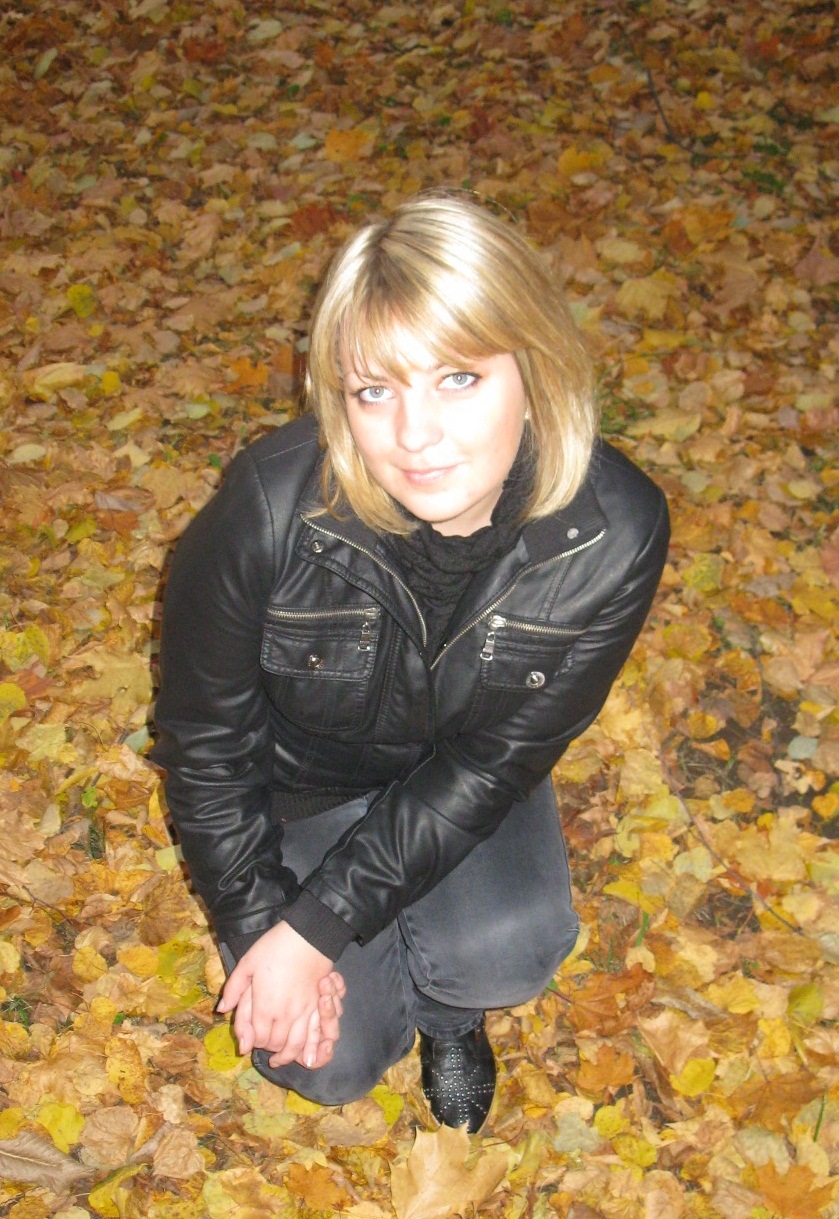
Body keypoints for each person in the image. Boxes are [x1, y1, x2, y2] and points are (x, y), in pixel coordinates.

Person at [153, 193, 670, 1134]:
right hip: (299, 791)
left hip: (457, 778)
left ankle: (449, 1017)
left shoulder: (612, 531)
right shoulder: (267, 512)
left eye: (458, 379)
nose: (414, 435)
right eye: (374, 391)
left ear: (535, 371)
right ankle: (378, 978)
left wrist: (320, 924)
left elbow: (496, 760)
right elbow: (206, 745)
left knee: (509, 947)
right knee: (326, 1061)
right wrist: (265, 925)